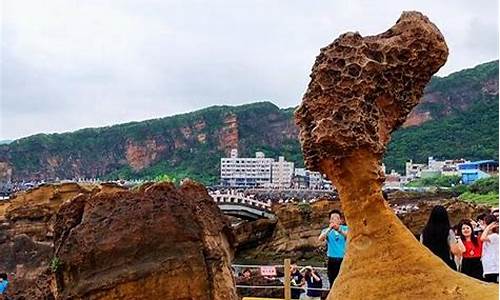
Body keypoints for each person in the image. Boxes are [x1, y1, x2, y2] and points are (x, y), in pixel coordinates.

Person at [420, 205, 464, 270]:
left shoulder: (424, 232)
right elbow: (454, 250)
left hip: (429, 264)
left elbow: (421, 248)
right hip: (445, 263)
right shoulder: (448, 231)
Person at [318, 209, 348, 287]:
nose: (334, 220)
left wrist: (339, 230)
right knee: (332, 282)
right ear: (329, 220)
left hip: (344, 259)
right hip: (332, 259)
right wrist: (329, 229)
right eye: (332, 218)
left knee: (344, 282)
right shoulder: (326, 231)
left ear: (340, 220)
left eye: (337, 218)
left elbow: (348, 236)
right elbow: (320, 239)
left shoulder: (345, 228)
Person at [480, 214, 499, 283]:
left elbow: (482, 238)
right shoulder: (490, 236)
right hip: (489, 268)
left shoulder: (494, 236)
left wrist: (488, 227)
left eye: (484, 223)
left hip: (493, 268)